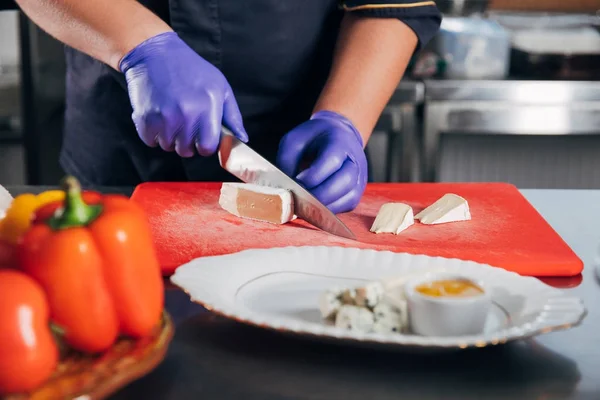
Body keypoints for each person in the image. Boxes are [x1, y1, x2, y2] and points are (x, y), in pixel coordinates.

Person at [14, 0, 441, 214]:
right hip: (120, 153)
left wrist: (345, 118)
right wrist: (140, 47)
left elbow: (395, 4)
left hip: (298, 159)